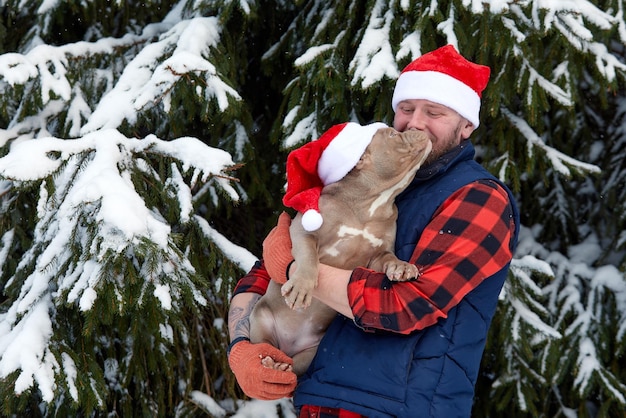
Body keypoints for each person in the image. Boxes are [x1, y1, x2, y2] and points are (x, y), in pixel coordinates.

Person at [227, 44, 520, 417]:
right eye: (406, 108)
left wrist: (298, 271)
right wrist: (242, 347)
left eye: (435, 112)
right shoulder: (362, 177)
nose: (415, 123)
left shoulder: (478, 198)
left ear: (466, 125)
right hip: (320, 401)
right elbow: (266, 271)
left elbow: (408, 305)